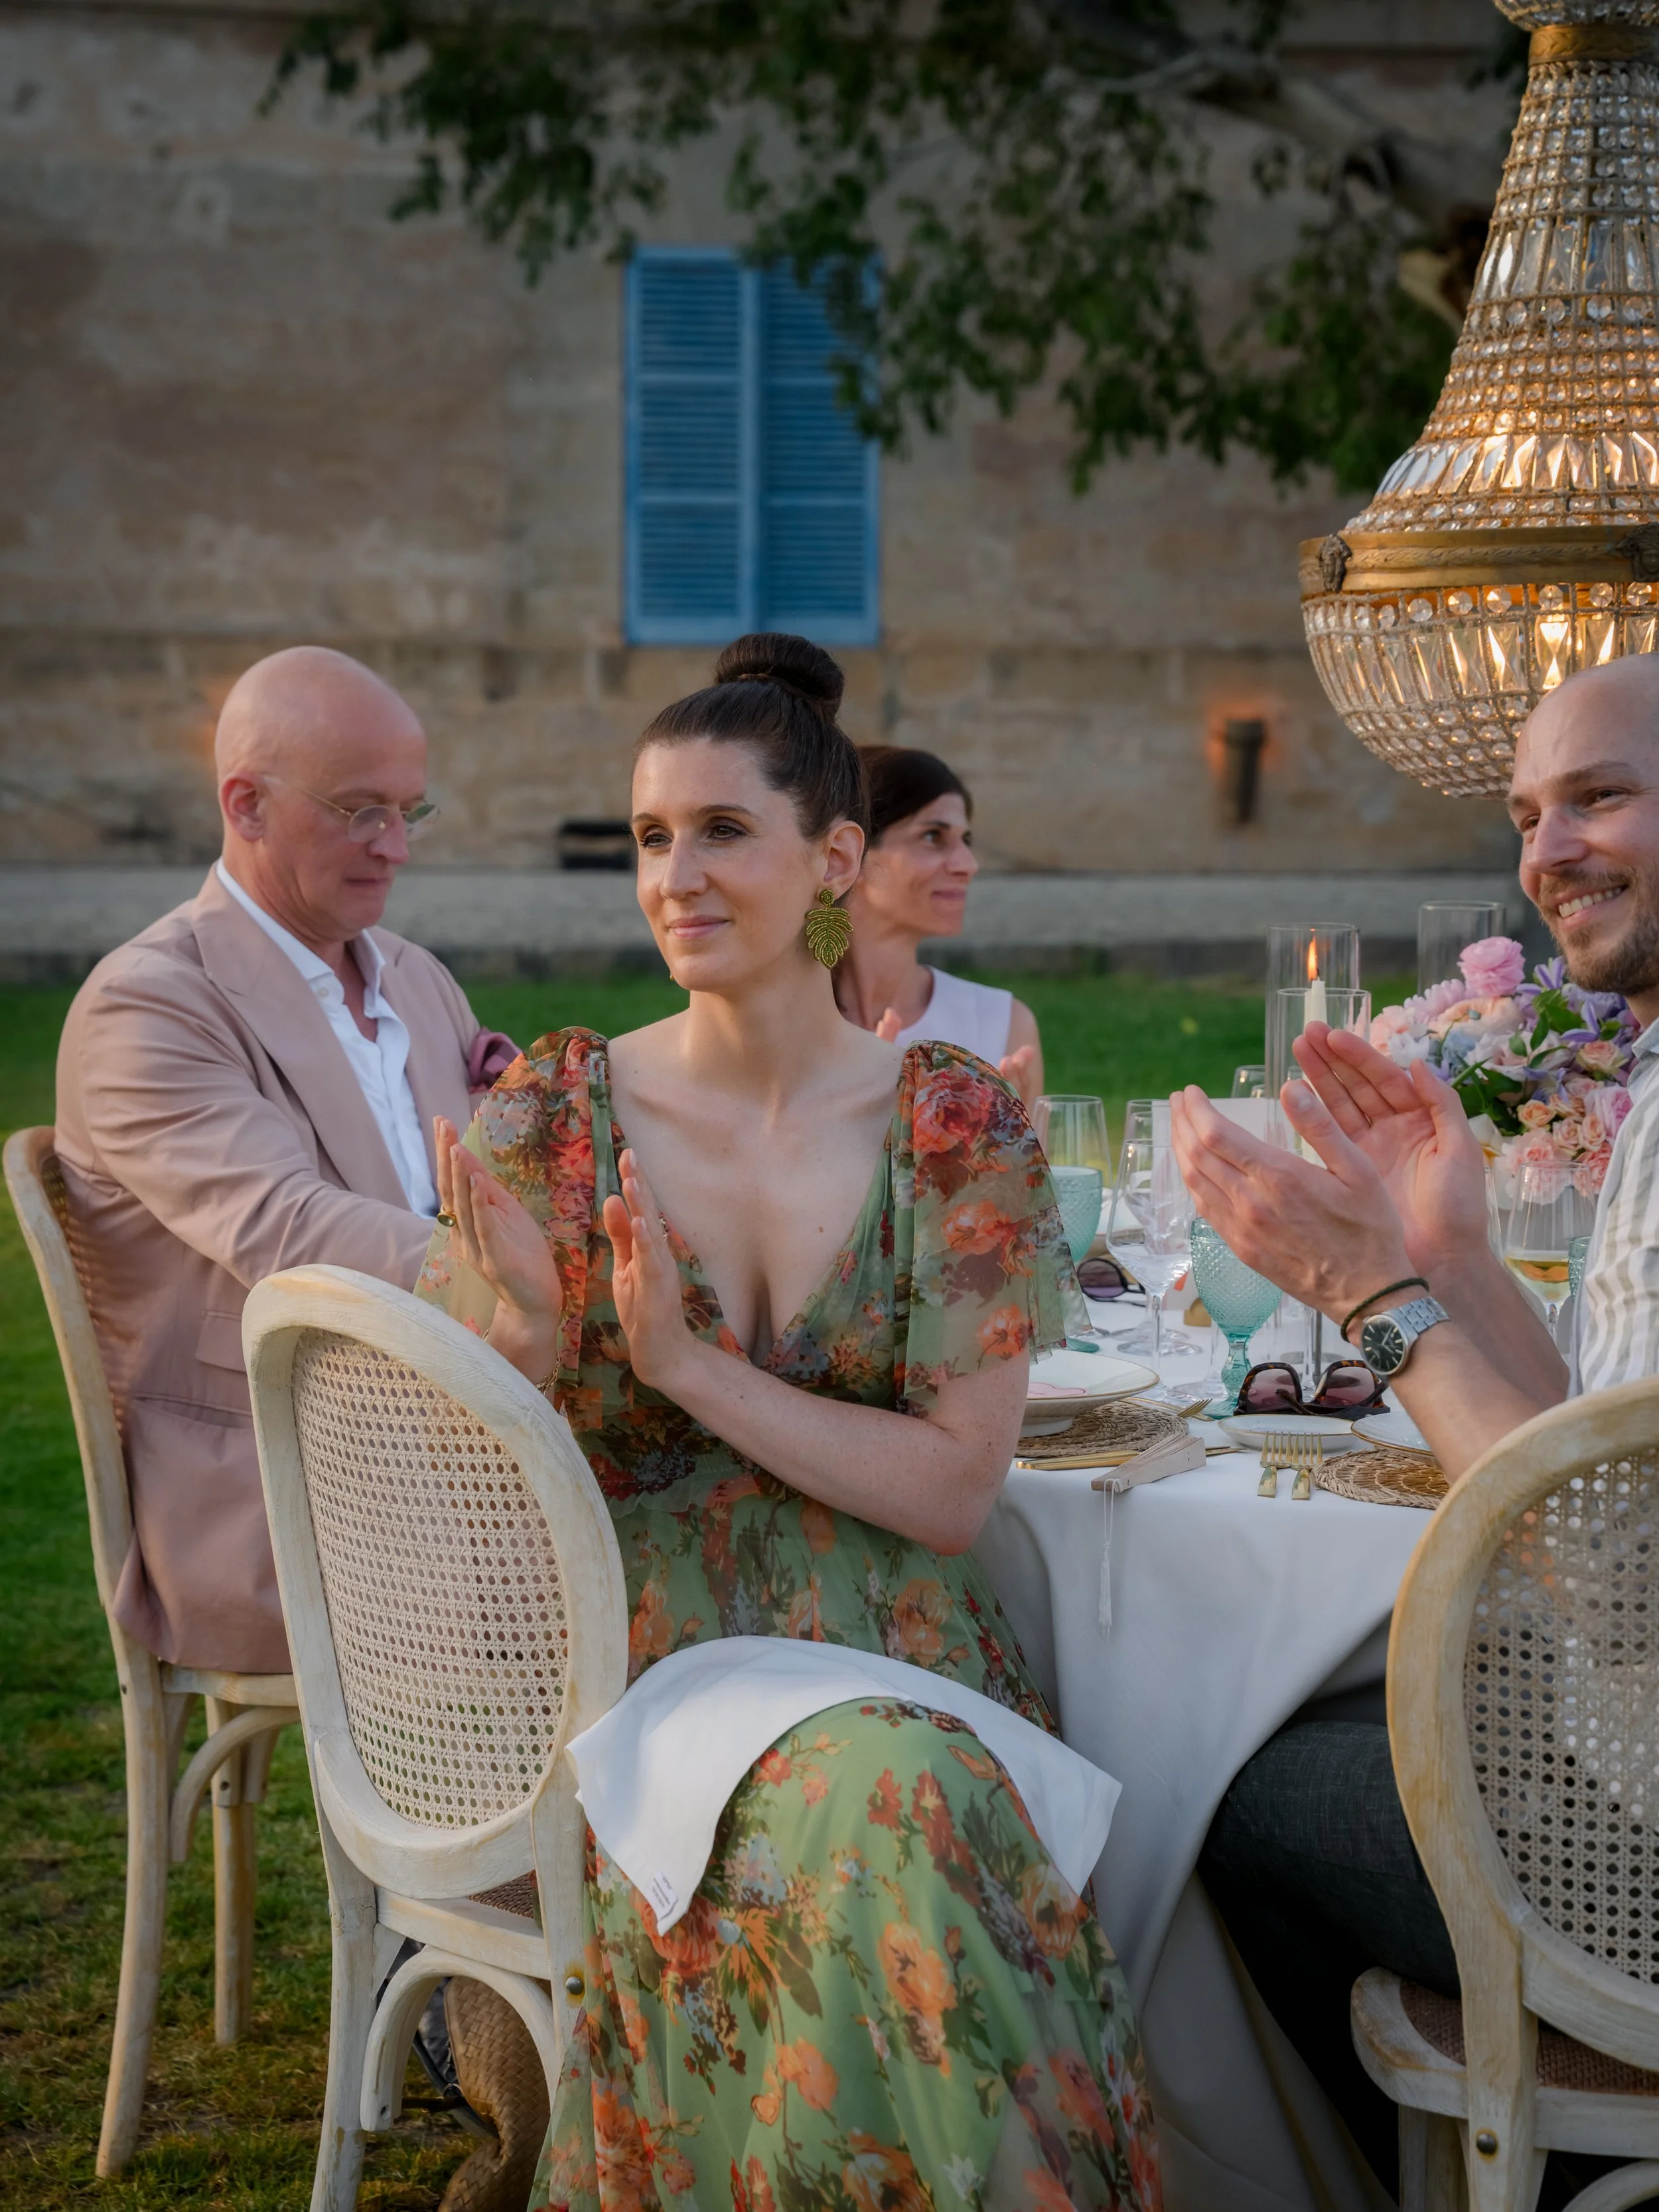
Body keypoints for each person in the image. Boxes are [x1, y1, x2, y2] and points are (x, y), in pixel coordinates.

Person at [418, 633, 1161, 2212]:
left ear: (832, 860)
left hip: (899, 1637)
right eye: (649, 836)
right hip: (656, 1664)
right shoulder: (552, 1119)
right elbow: (464, 1527)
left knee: (905, 1778)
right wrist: (532, 1347)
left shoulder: (954, 1124)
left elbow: (956, 1493)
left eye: (720, 831)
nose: (674, 874)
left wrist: (692, 1369)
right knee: (897, 1794)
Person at [1167, 652, 1659, 2197]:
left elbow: (1608, 1578)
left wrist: (1373, 1295)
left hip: (1641, 1852)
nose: (1543, 851)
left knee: (1211, 1793)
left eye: (1599, 796)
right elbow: (1597, 1452)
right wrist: (1441, 1248)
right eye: (1525, 813)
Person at [54, 646, 516, 1676]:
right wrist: (537, 1285)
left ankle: (638, 1825)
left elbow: (500, 1176)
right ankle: (544, 1832)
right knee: (639, 1552)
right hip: (287, 1492)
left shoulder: (417, 978)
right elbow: (292, 1230)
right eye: (360, 812)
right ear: (246, 804)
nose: (396, 847)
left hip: (464, 1435)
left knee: (705, 1500)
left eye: (411, 811)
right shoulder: (150, 1003)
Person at [835, 743, 1046, 1106]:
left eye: (965, 840)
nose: (968, 864)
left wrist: (1009, 1153)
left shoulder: (1001, 1024)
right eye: (933, 837)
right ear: (854, 853)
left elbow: (1031, 1164)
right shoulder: (786, 1026)